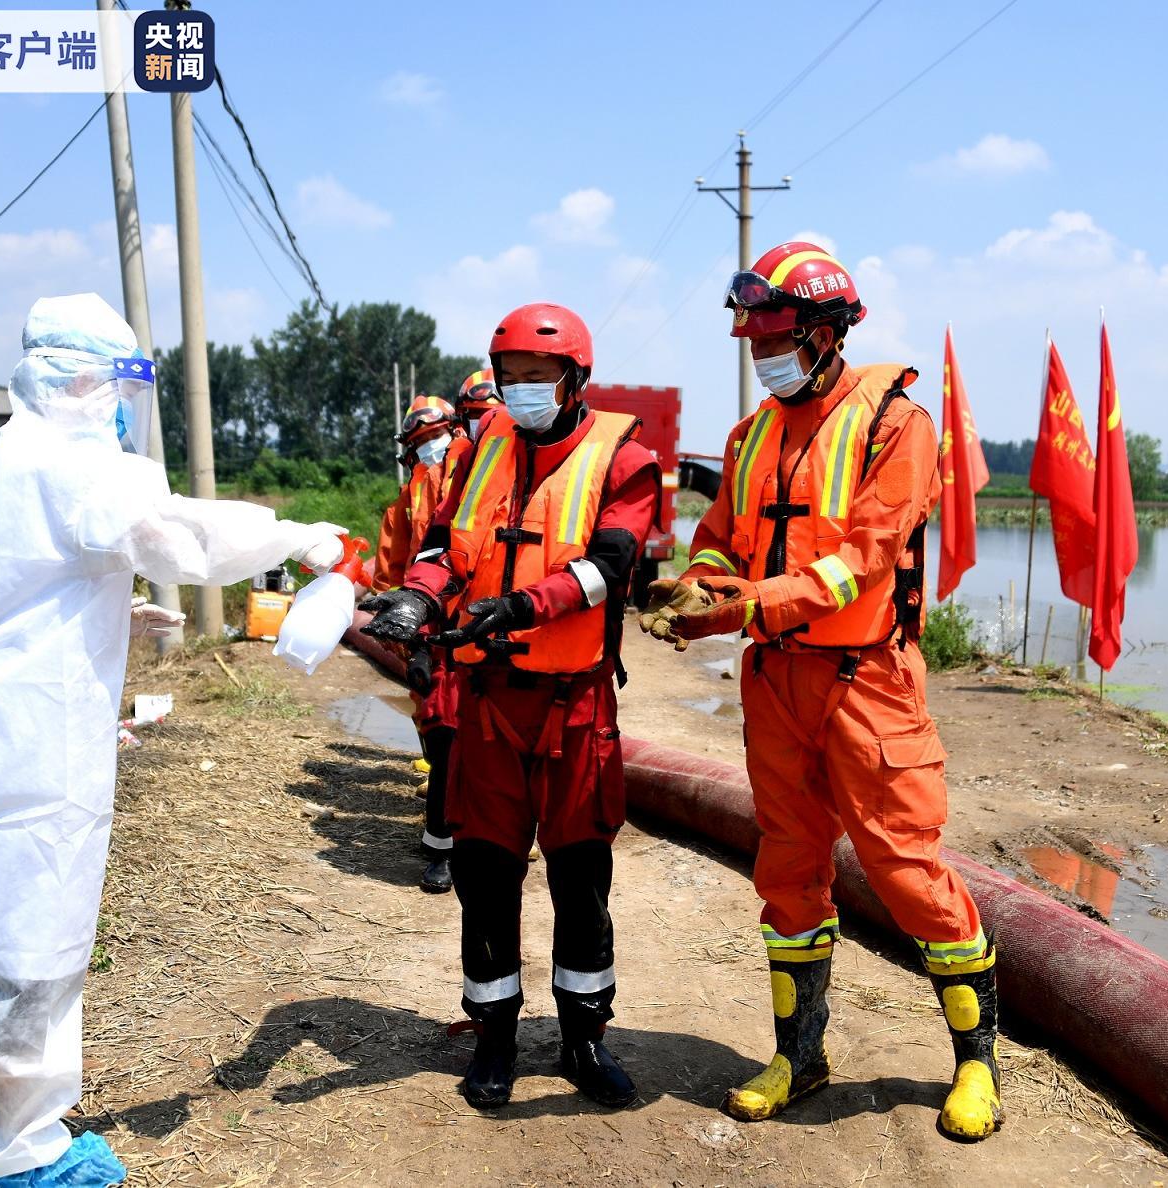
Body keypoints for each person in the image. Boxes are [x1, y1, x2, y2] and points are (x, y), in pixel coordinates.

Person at [0, 293, 346, 1186]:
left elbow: (8, 591)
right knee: (31, 948)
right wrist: (295, 538)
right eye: (122, 384)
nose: (122, 406)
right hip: (34, 752)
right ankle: (22, 1151)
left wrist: (106, 611)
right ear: (85, 380)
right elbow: (179, 534)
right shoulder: (78, 464)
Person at [639, 243, 1000, 1140]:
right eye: (752, 338)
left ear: (828, 333)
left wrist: (742, 606)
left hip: (865, 681)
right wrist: (700, 586)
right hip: (775, 683)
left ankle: (977, 1069)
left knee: (908, 874)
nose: (762, 353)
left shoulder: (897, 424)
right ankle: (799, 1057)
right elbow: (721, 536)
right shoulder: (752, 433)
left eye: (776, 336)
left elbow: (860, 560)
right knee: (788, 870)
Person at [359, 304, 661, 1111]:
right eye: (511, 379)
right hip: (488, 703)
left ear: (576, 379)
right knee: (485, 876)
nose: (522, 393)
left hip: (574, 703)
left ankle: (583, 1038)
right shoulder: (483, 446)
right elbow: (446, 549)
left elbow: (611, 565)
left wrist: (524, 606)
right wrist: (416, 602)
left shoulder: (624, 458)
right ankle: (493, 1037)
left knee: (580, 877)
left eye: (539, 378)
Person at [373, 393, 466, 892]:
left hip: (484, 625)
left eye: (438, 437)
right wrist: (407, 640)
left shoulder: (483, 473)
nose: (433, 448)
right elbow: (393, 572)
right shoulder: (408, 501)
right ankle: (440, 849)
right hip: (430, 631)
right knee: (444, 734)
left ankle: (485, 840)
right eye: (422, 441)